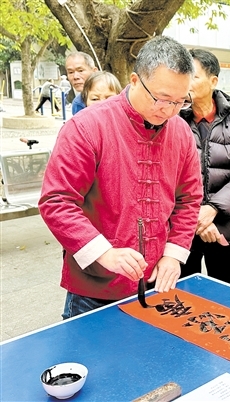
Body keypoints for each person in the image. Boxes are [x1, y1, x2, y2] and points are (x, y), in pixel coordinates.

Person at [39, 36, 203, 319]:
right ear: (136, 80)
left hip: (156, 284)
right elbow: (57, 201)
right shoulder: (87, 127)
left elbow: (189, 200)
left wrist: (174, 255)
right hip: (93, 289)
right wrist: (106, 253)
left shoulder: (181, 132)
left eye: (180, 101)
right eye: (162, 99)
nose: (170, 111)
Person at [178, 48, 230, 285]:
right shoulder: (173, 121)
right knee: (182, 295)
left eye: (193, 75)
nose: (186, 82)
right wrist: (196, 219)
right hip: (183, 229)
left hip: (224, 227)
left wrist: (212, 210)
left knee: (222, 300)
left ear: (213, 81)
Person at [65, 51, 98, 115]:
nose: (75, 77)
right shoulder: (77, 104)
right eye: (71, 72)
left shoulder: (113, 94)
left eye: (80, 71)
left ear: (94, 71)